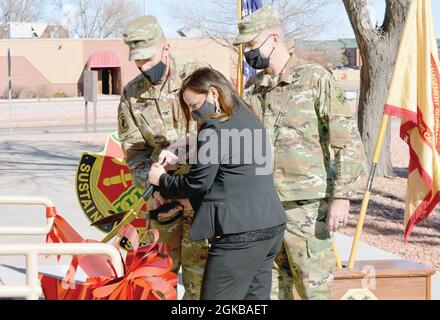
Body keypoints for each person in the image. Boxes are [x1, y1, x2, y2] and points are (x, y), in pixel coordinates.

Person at [233, 7, 368, 300]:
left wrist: (342, 197)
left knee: (313, 292)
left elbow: (346, 141)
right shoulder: (253, 90)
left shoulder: (315, 79)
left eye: (251, 45)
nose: (248, 52)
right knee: (267, 293)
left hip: (307, 211)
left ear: (273, 38)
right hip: (263, 211)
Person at [148, 67, 287, 300]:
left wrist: (161, 179)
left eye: (194, 105)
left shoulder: (214, 128)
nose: (193, 114)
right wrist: (187, 152)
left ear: (213, 93)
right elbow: (235, 164)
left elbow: (198, 183)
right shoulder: (247, 116)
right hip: (270, 227)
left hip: (240, 234)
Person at [118, 15, 210, 300]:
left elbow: (224, 132)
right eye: (138, 61)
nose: (144, 67)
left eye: (148, 58)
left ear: (166, 48)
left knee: (202, 284)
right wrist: (154, 188)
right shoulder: (132, 94)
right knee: (158, 282)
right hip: (163, 205)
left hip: (201, 200)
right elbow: (135, 152)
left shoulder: (199, 78)